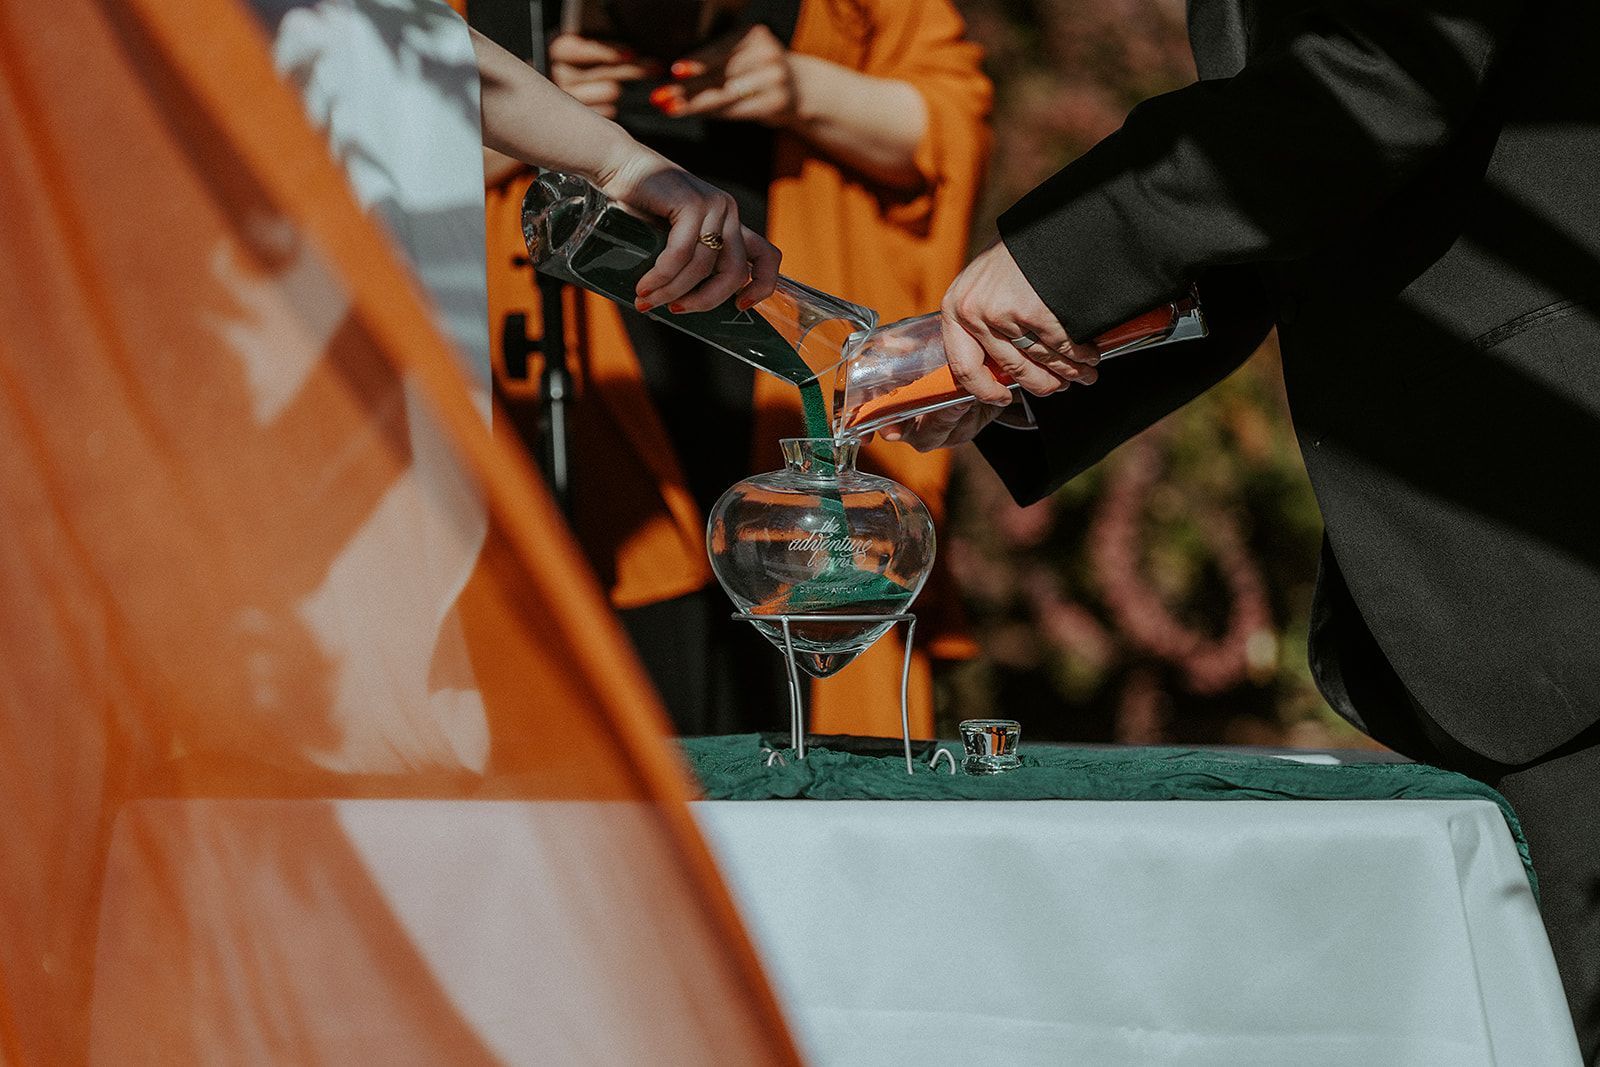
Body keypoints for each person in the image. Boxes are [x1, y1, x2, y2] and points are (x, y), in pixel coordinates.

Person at [895, 0, 1600, 1055]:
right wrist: (1026, 341)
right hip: (1500, 588)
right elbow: (1303, 186)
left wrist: (1059, 258)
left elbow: (1377, 69)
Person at [483, 0, 990, 737]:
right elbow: (352, 146)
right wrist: (533, 118)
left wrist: (796, 87)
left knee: (808, 691)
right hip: (578, 379)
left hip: (783, 328)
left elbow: (951, 123)